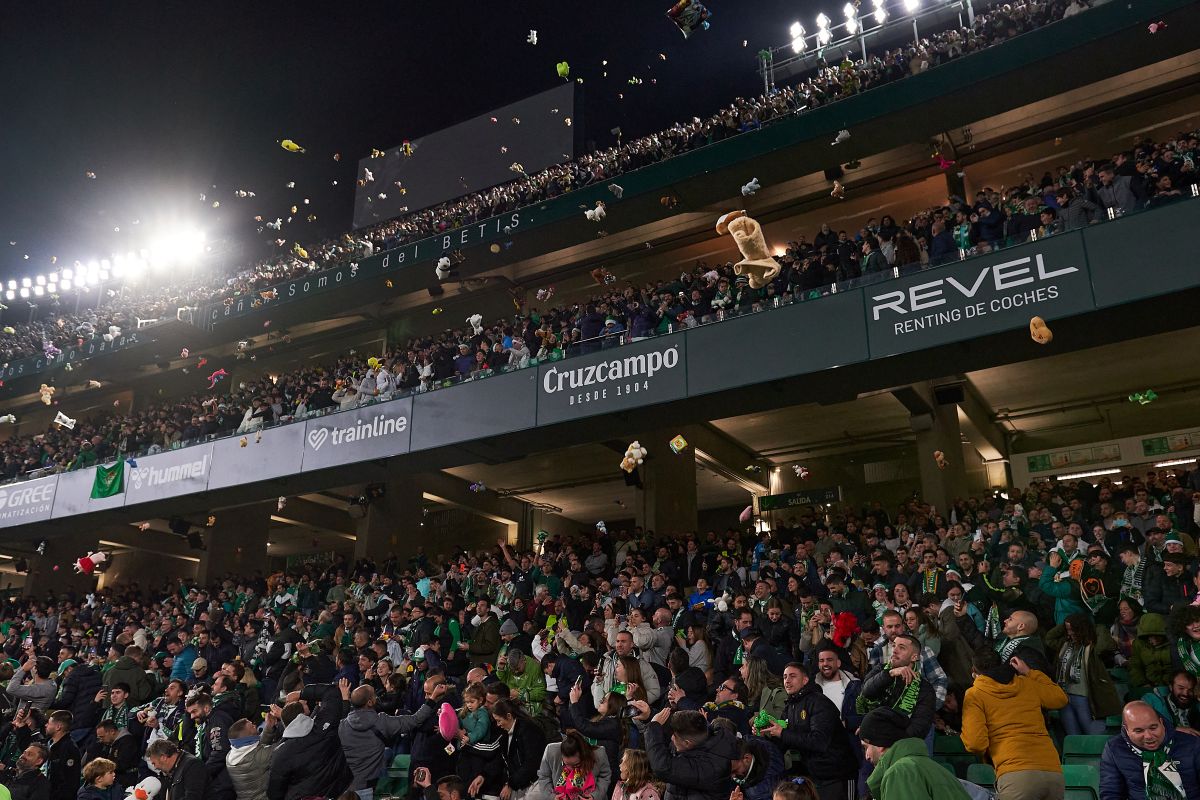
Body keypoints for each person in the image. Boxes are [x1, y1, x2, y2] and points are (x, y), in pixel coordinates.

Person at [961, 648, 1067, 800]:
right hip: (1053, 774)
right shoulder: (1027, 683)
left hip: (1015, 773)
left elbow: (975, 743)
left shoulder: (975, 694)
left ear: (974, 671)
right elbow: (1060, 698)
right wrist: (1030, 672)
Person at [759, 663, 857, 800]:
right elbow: (785, 743)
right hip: (814, 777)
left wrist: (783, 733)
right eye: (785, 677)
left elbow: (819, 742)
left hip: (837, 776)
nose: (787, 681)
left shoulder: (819, 702)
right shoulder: (790, 706)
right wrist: (766, 735)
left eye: (792, 676)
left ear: (805, 680)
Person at [339, 680, 446, 798]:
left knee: (388, 752)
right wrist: (432, 698)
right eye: (374, 695)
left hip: (343, 788)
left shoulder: (342, 725)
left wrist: (345, 699)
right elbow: (416, 720)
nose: (377, 697)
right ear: (370, 702)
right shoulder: (382, 722)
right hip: (365, 789)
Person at [859, 708, 970, 800]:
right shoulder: (927, 766)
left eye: (866, 747)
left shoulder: (901, 771)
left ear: (880, 744)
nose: (867, 756)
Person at [267, 681, 352, 800]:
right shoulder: (325, 725)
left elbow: (274, 793)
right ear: (303, 716)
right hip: (341, 790)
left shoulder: (281, 753)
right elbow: (331, 692)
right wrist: (301, 693)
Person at [1100, 700, 1200, 800]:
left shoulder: (1192, 743)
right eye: (1139, 731)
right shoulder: (1115, 748)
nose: (1148, 736)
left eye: (1153, 728)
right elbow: (1111, 792)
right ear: (1127, 730)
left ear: (1161, 723)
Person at [1044, 613, 1122, 736]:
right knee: (1072, 733)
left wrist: (1094, 626)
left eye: (1073, 629)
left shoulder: (1091, 647)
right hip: (1063, 695)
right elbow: (1049, 638)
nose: (1070, 633)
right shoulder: (1065, 644)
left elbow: (1105, 644)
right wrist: (1065, 624)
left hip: (1083, 695)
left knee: (1091, 730)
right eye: (1068, 630)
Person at [644, 707, 738, 800]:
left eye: (674, 736)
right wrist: (650, 717)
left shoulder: (710, 766)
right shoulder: (700, 736)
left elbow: (662, 767)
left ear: (687, 743)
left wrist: (653, 727)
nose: (672, 738)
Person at [856, 633, 934, 740]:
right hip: (872, 741)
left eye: (901, 648)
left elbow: (918, 728)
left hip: (900, 744)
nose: (894, 650)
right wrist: (889, 674)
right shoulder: (880, 670)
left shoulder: (925, 689)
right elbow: (866, 691)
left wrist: (885, 740)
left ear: (914, 657)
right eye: (894, 646)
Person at [489, 698, 545, 800]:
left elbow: (531, 763)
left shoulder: (528, 730)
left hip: (537, 781)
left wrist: (511, 784)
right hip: (520, 782)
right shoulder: (505, 733)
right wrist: (483, 775)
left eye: (499, 720)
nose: (498, 724)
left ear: (509, 716)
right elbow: (500, 760)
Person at [532, 729, 613, 800]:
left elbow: (605, 776)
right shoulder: (551, 751)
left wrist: (595, 796)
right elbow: (544, 776)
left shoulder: (599, 754)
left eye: (576, 765)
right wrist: (551, 797)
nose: (570, 768)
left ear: (583, 755)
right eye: (566, 764)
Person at [226, 713, 282, 800]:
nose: (255, 726)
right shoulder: (257, 757)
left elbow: (255, 748)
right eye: (252, 727)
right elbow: (285, 747)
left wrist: (268, 727)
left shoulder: (230, 756)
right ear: (248, 737)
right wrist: (284, 717)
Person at [43, 710, 82, 800]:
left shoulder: (70, 749)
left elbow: (69, 783)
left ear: (58, 727)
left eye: (49, 723)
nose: (46, 725)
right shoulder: (48, 743)